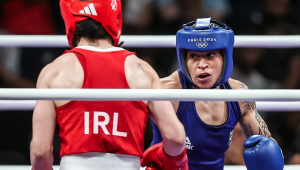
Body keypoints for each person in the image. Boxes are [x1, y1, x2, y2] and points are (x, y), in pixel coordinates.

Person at [30, 0, 188, 170]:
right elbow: (175, 137)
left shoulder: (55, 71)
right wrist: (174, 164)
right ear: (115, 17)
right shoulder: (142, 70)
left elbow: (41, 151)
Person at [150, 18, 284, 170]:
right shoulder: (167, 92)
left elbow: (268, 149)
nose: (202, 64)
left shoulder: (238, 95)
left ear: (225, 57)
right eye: (193, 56)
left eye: (210, 55)